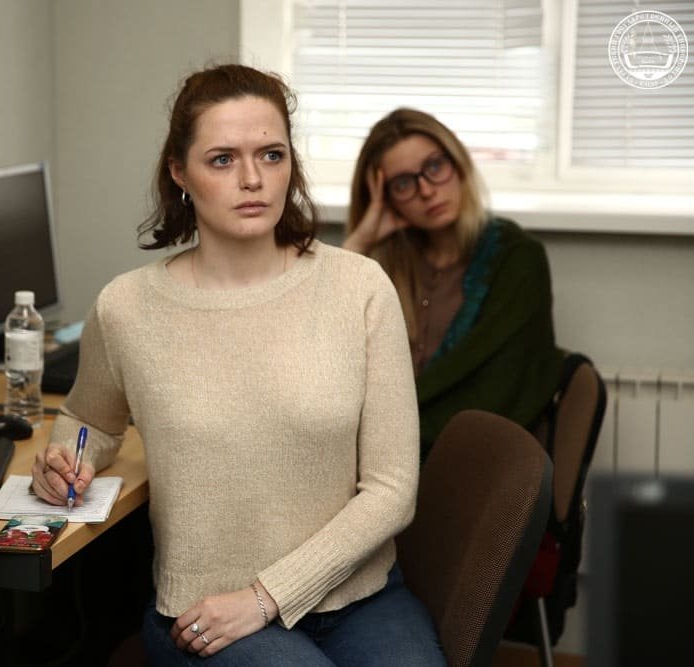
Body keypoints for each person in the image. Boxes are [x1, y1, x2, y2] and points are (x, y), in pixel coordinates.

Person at [31, 65, 445, 666]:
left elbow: (392, 491)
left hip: (360, 600)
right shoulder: (127, 307)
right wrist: (66, 460)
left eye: (271, 155)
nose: (253, 179)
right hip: (207, 612)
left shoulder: (360, 288)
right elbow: (89, 419)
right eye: (222, 159)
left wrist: (268, 596)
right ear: (180, 172)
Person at [343, 108, 564, 460]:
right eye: (403, 184)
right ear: (384, 197)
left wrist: (381, 437)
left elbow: (498, 390)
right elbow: (322, 360)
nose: (427, 191)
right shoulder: (382, 265)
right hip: (381, 456)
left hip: (477, 463)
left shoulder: (517, 258)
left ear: (458, 163)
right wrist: (358, 243)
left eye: (434, 166)